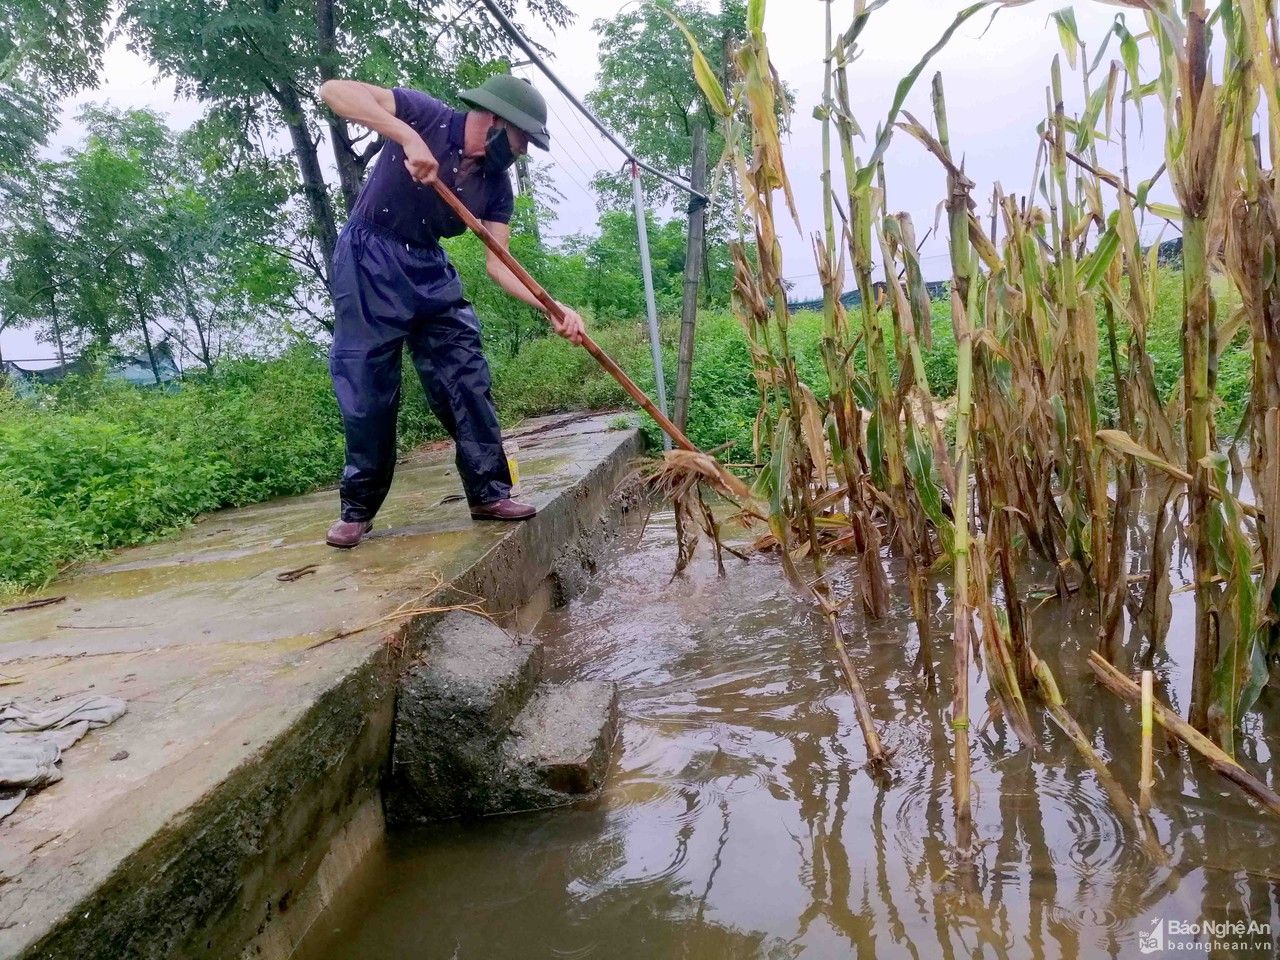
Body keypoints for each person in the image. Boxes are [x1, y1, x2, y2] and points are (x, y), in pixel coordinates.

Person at [317, 74, 586, 548]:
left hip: (428, 267)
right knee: (368, 388)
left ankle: (488, 492)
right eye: (523, 139)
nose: (522, 152)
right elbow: (333, 92)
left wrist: (551, 305)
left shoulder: (497, 186)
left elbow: (499, 265)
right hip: (369, 260)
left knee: (466, 374)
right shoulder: (425, 114)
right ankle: (357, 509)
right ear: (497, 122)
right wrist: (406, 136)